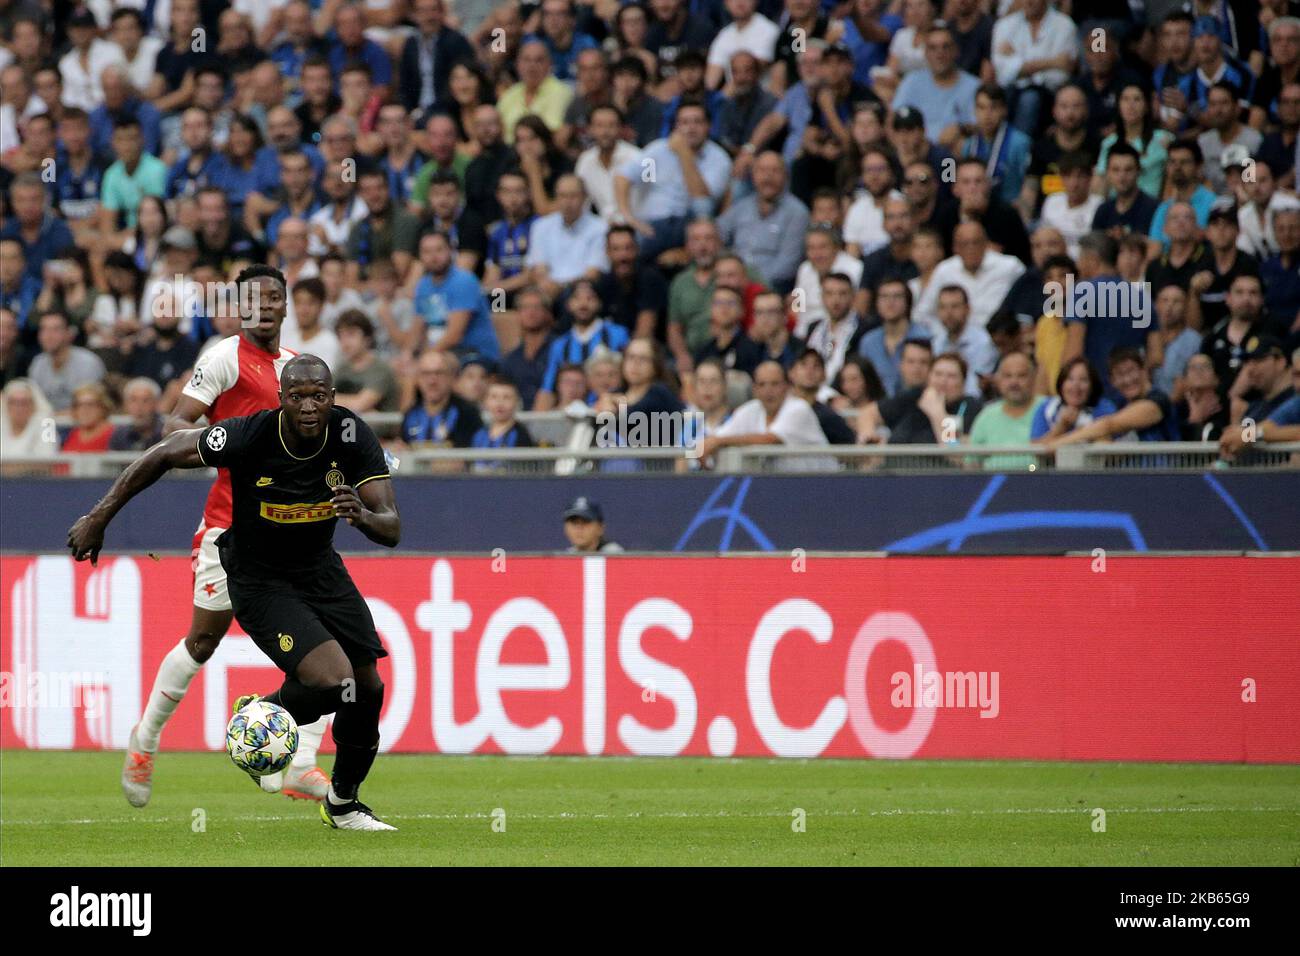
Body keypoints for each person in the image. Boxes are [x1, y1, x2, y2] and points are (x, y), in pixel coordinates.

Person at [69, 353, 401, 831]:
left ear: (332, 398)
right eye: (298, 397)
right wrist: (99, 516)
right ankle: (262, 713)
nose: (309, 406)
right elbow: (166, 450)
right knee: (333, 683)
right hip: (259, 575)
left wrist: (364, 517)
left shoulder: (351, 434)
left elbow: (391, 527)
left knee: (366, 689)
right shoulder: (251, 434)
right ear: (282, 399)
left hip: (320, 571)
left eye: (319, 396)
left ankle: (343, 804)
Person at [111, 265, 334, 808]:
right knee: (204, 640)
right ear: (239, 307)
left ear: (286, 307)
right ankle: (145, 740)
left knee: (332, 639)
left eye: (273, 297)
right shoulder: (223, 358)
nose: (264, 306)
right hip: (229, 529)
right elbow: (174, 429)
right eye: (252, 298)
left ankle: (301, 761)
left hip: (289, 529)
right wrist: (236, 443)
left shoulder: (295, 372)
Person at [698, 359, 833, 471]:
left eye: (775, 384)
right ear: (754, 389)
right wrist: (710, 444)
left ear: (786, 386)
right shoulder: (749, 410)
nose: (768, 391)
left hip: (821, 486)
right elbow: (717, 437)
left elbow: (770, 440)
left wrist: (718, 442)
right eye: (762, 384)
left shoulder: (799, 409)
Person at [856, 351, 982, 445]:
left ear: (963, 382)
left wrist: (937, 412)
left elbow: (953, 448)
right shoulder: (915, 396)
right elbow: (868, 413)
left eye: (951, 376)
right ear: (929, 377)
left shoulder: (968, 406)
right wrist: (869, 436)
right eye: (938, 374)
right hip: (894, 470)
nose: (943, 381)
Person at [967, 351, 1045, 469]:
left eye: (1021, 375)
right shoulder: (987, 415)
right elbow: (971, 463)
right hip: (993, 484)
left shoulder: (1048, 409)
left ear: (1033, 378)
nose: (1014, 382)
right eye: (1008, 376)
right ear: (998, 380)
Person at [402, 349, 483, 447]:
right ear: (418, 379)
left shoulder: (468, 414)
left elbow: (469, 457)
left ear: (451, 378)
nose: (432, 381)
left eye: (439, 373)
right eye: (426, 374)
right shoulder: (411, 414)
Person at [1030, 357, 1117, 442]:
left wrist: (1083, 428)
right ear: (1061, 383)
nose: (1076, 385)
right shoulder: (1046, 408)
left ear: (1092, 385)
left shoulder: (1104, 407)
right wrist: (1062, 426)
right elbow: (1036, 449)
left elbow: (1110, 445)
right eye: (1070, 379)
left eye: (1083, 380)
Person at [110, 377, 165, 451]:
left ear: (156, 403)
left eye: (146, 400)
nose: (139, 407)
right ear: (125, 404)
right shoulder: (119, 435)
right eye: (133, 400)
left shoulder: (166, 433)